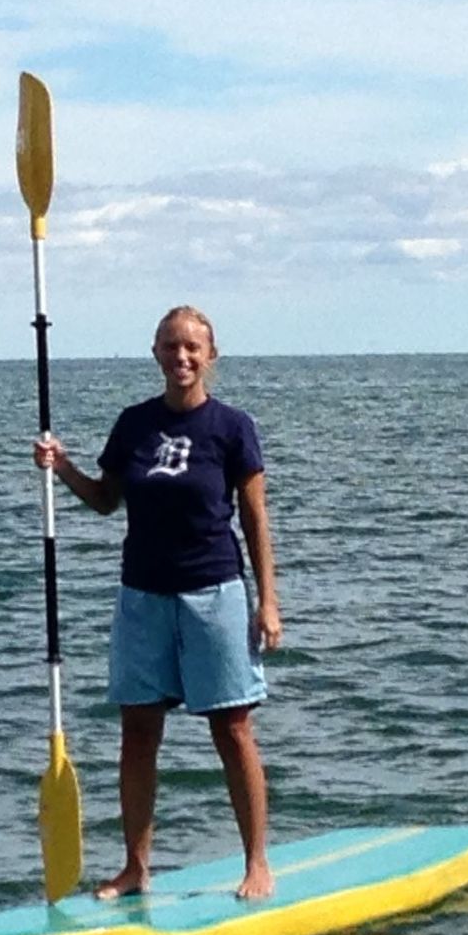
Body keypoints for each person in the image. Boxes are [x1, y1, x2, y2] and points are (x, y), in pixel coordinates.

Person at [32, 305, 282, 903]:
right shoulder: (135, 425)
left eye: (193, 348)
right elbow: (104, 500)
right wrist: (60, 466)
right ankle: (136, 867)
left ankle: (257, 863)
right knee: (138, 731)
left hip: (214, 593)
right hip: (142, 596)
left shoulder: (232, 427)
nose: (182, 358)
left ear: (211, 355)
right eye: (171, 347)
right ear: (156, 354)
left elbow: (254, 518)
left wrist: (268, 602)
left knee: (233, 728)